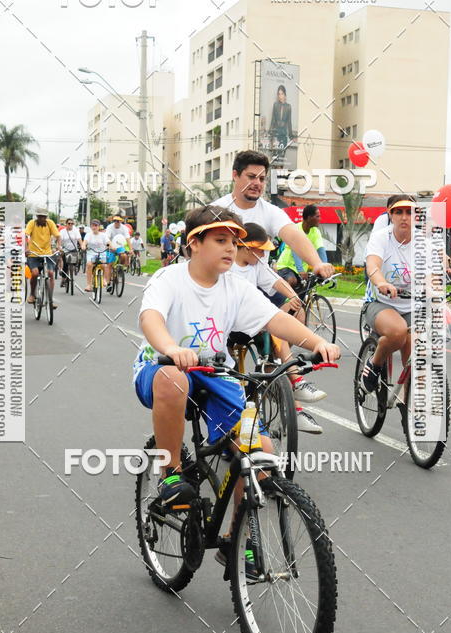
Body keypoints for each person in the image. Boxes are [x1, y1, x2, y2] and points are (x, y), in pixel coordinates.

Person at [133, 205, 340, 524]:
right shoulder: (169, 278)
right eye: (220, 239)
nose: (230, 247)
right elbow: (151, 318)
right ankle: (171, 474)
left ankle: (237, 540)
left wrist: (318, 343)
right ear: (194, 243)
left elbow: (276, 320)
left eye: (234, 241)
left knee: (262, 453)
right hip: (162, 367)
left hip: (217, 373)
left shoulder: (237, 287)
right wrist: (172, 349)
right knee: (174, 378)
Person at [230, 222, 327, 432]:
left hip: (252, 324)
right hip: (228, 328)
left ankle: (296, 396)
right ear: (245, 246)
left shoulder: (257, 265)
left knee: (277, 332)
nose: (263, 255)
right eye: (260, 250)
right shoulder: (227, 264)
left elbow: (275, 281)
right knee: (229, 378)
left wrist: (292, 296)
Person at [211, 150, 334, 280]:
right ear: (235, 175)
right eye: (251, 177)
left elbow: (294, 236)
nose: (257, 183)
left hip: (260, 288)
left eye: (262, 179)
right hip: (219, 288)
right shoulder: (215, 210)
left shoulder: (271, 212)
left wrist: (318, 264)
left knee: (292, 299)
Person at [361, 196, 415, 392]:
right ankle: (374, 365)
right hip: (380, 301)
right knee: (398, 331)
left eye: (410, 212)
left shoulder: (423, 241)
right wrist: (381, 282)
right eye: (399, 212)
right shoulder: (381, 237)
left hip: (412, 306)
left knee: (417, 350)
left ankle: (410, 402)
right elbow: (373, 266)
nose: (404, 217)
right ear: (390, 215)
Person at [275, 204, 329, 287]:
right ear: (309, 218)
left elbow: (320, 250)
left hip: (301, 269)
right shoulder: (295, 229)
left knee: (306, 288)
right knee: (292, 281)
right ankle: (284, 299)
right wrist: (300, 270)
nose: (320, 219)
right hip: (286, 266)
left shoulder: (316, 232)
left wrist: (325, 268)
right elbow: (296, 251)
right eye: (317, 216)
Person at [25, 208, 62, 308]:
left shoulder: (50, 223)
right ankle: (32, 294)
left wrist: (59, 246)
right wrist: (26, 248)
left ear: (46, 217)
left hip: (47, 253)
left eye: (44, 217)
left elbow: (58, 236)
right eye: (40, 216)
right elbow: (25, 235)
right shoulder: (31, 223)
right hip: (33, 254)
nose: (42, 218)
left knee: (50, 273)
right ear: (37, 216)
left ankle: (50, 300)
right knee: (35, 273)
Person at [80, 219, 110, 291]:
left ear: (99, 227)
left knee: (104, 265)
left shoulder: (103, 235)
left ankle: (104, 280)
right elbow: (85, 242)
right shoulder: (88, 235)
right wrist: (83, 246)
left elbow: (108, 242)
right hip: (91, 253)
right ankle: (89, 285)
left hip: (102, 253)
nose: (94, 227)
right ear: (91, 227)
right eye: (93, 225)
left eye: (96, 225)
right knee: (89, 265)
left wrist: (112, 247)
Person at [269, 85, 293, 156]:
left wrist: (291, 136)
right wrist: (270, 133)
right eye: (279, 94)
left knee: (282, 157)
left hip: (283, 135)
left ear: (285, 94)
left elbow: (289, 122)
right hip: (275, 134)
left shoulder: (288, 106)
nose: (280, 96)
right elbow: (273, 120)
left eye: (282, 94)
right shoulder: (275, 105)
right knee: (274, 158)